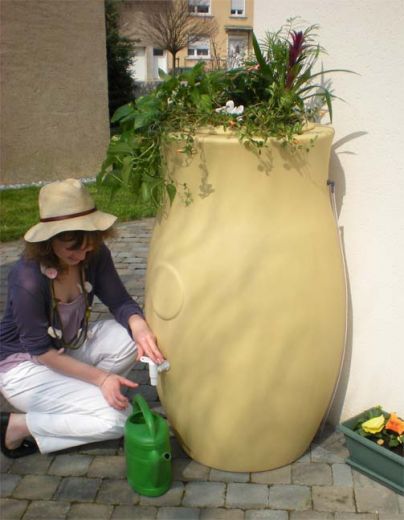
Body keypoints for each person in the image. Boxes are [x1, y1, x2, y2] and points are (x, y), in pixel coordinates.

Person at [0, 178, 165, 458]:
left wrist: (140, 328)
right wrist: (101, 379)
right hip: (25, 369)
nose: (81, 255)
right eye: (72, 249)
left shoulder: (94, 255)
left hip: (67, 348)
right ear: (48, 243)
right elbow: (41, 352)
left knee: (130, 337)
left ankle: (86, 397)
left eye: (87, 246)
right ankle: (20, 425)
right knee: (119, 420)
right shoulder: (27, 279)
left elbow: (121, 302)